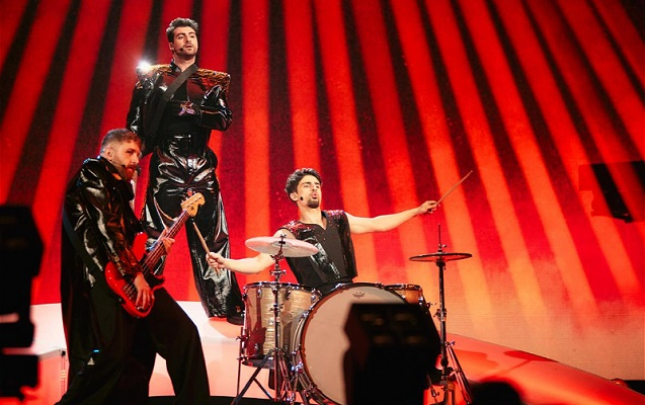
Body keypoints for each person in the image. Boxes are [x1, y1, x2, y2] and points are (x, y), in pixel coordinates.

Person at [59, 128, 209, 404]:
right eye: (129, 152)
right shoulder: (92, 173)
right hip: (105, 281)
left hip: (129, 277)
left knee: (181, 334)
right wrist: (135, 274)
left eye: (138, 154)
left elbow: (125, 240)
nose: (135, 160)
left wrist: (152, 252)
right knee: (110, 359)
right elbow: (107, 229)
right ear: (108, 152)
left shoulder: (118, 187)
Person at [126, 17, 244, 323]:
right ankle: (139, 295)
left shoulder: (211, 83)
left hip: (202, 165)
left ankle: (225, 307)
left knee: (215, 238)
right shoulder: (153, 79)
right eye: (181, 36)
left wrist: (192, 109)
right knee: (156, 235)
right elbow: (135, 124)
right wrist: (132, 159)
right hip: (167, 163)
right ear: (171, 44)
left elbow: (224, 120)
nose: (188, 39)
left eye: (192, 35)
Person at [207, 168, 438, 295]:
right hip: (317, 299)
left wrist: (416, 211)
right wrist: (225, 262)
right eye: (307, 185)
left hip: (350, 290)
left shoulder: (339, 219)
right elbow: (258, 264)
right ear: (295, 196)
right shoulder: (290, 233)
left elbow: (379, 224)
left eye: (317, 185)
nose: (314, 189)